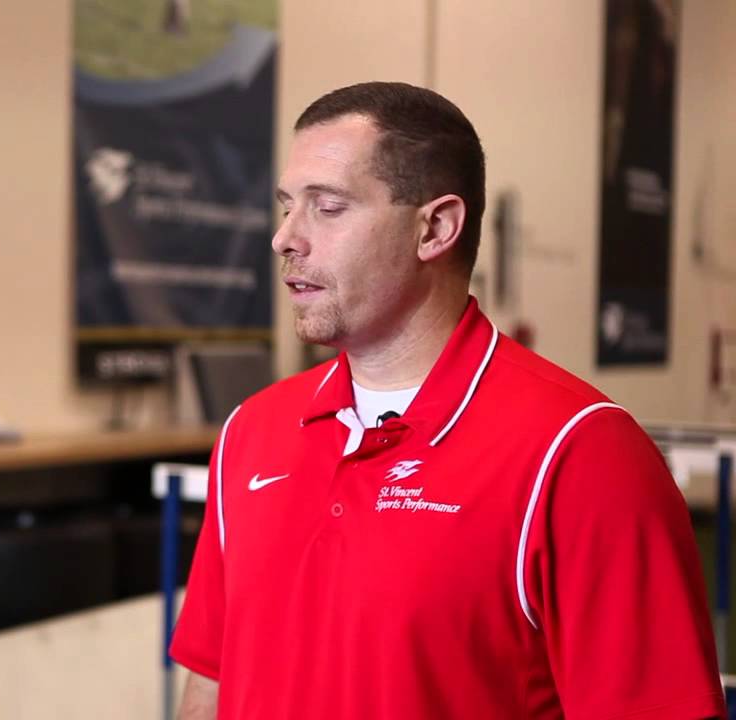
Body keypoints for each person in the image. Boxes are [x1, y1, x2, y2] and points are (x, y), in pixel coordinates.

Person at [172, 82, 724, 719]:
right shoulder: (251, 431)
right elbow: (211, 681)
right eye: (286, 206)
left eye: (327, 207)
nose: (285, 238)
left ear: (435, 228)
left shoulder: (582, 454)